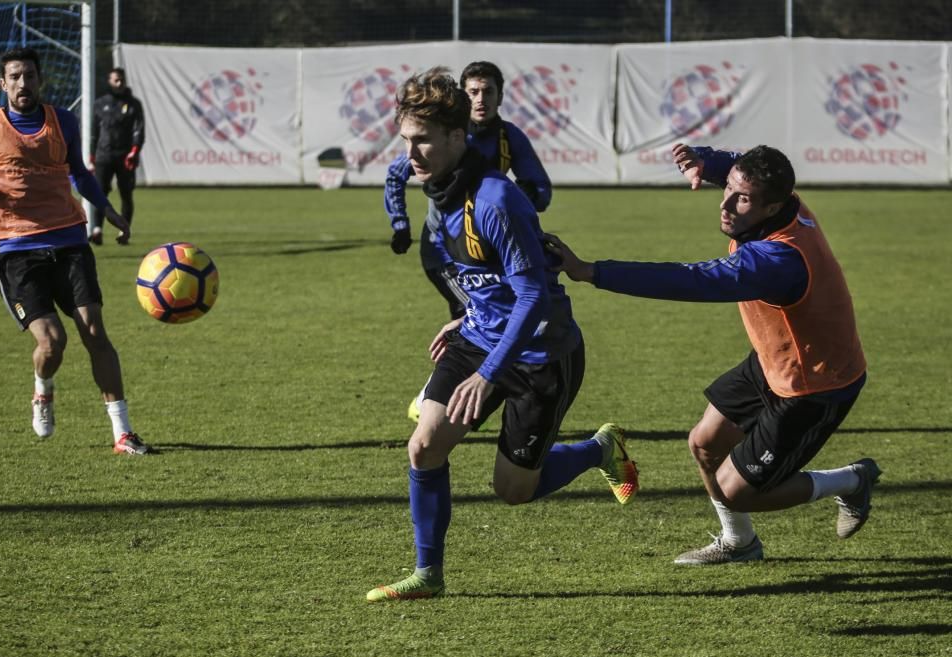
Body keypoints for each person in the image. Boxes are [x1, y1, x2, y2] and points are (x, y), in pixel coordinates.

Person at [365, 68, 638, 603]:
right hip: (480, 332)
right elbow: (484, 277)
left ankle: (599, 449)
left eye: (423, 140)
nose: (411, 153)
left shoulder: (494, 200)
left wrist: (487, 373)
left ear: (455, 136)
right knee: (423, 447)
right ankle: (428, 575)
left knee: (513, 491)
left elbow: (534, 296)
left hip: (540, 351)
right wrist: (466, 316)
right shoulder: (440, 191)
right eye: (405, 140)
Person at [546, 143, 879, 564]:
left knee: (735, 490)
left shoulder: (779, 258)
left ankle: (851, 481)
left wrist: (592, 271)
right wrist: (708, 161)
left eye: (741, 198)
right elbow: (743, 172)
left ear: (772, 205)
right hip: (774, 358)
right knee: (704, 444)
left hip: (814, 384)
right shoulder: (784, 203)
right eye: (729, 189)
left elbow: (688, 280)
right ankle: (739, 543)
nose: (726, 203)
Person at [0, 48, 150, 455]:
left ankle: (123, 433)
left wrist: (108, 210)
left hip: (70, 241)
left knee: (95, 331)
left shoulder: (63, 121)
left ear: (40, 80)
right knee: (52, 342)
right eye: (15, 77)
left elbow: (80, 172)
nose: (23, 83)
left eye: (29, 75)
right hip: (18, 251)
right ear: (3, 84)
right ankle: (43, 390)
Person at [385, 61, 552, 420]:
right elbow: (396, 173)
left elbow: (540, 189)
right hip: (445, 252)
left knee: (493, 312)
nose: (481, 99)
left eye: (488, 91)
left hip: (487, 251)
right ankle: (438, 395)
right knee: (477, 313)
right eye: (473, 91)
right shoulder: (438, 135)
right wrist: (401, 223)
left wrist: (515, 201)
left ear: (500, 96)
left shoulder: (508, 139)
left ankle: (476, 388)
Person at [88, 67, 145, 245]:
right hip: (103, 155)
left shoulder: (134, 104)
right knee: (99, 193)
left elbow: (139, 129)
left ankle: (124, 230)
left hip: (125, 155)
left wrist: (134, 151)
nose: (119, 83)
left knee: (126, 194)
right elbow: (93, 131)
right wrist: (91, 155)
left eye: (121, 80)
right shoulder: (100, 104)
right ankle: (97, 229)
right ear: (109, 81)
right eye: (115, 80)